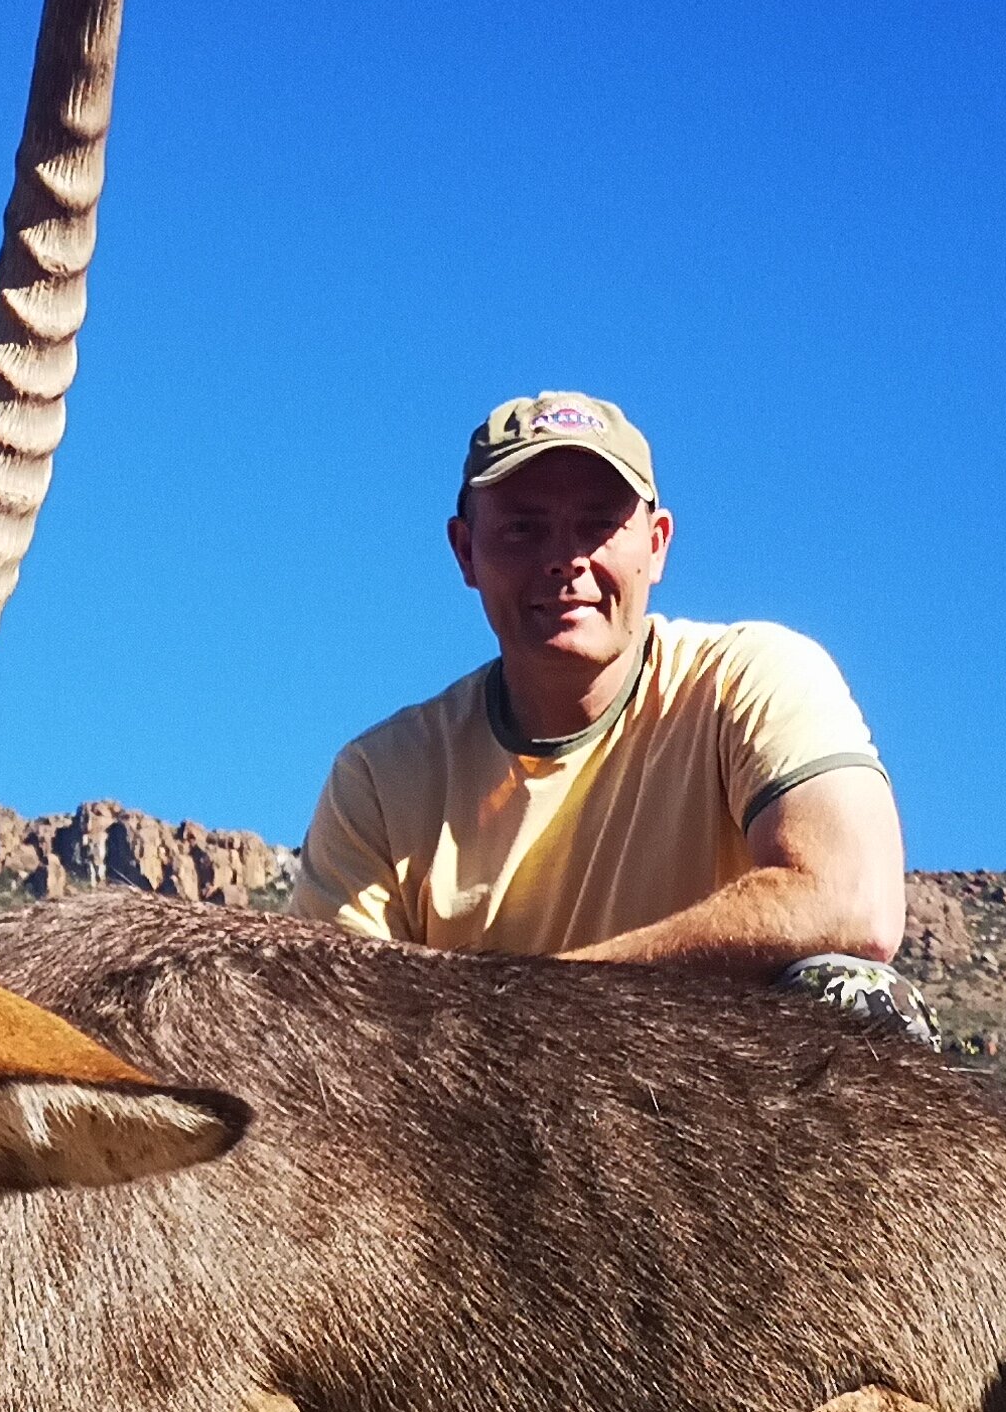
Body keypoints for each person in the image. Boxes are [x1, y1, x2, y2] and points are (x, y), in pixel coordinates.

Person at [289, 390, 925, 1034]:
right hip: (485, 1111)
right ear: (465, 552)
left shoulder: (750, 678)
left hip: (727, 1100)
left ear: (657, 545)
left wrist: (538, 1005)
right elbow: (332, 1026)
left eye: (597, 524)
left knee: (854, 996)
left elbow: (854, 902)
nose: (565, 559)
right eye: (522, 528)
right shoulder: (381, 776)